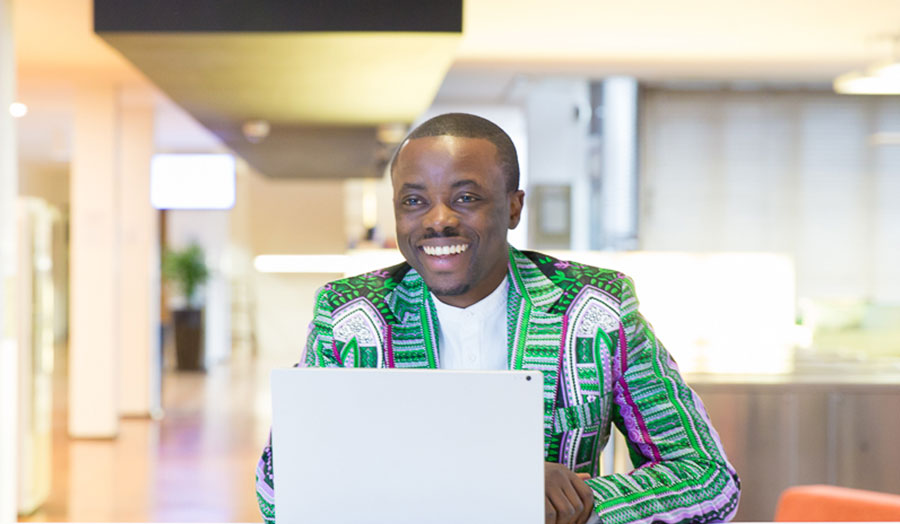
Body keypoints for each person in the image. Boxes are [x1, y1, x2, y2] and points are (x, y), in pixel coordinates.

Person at [256, 113, 741, 524]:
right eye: (414, 200)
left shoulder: (595, 309)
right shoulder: (349, 315)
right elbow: (279, 490)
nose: (438, 219)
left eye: (466, 197)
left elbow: (708, 478)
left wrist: (586, 500)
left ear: (513, 206)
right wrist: (496, 484)